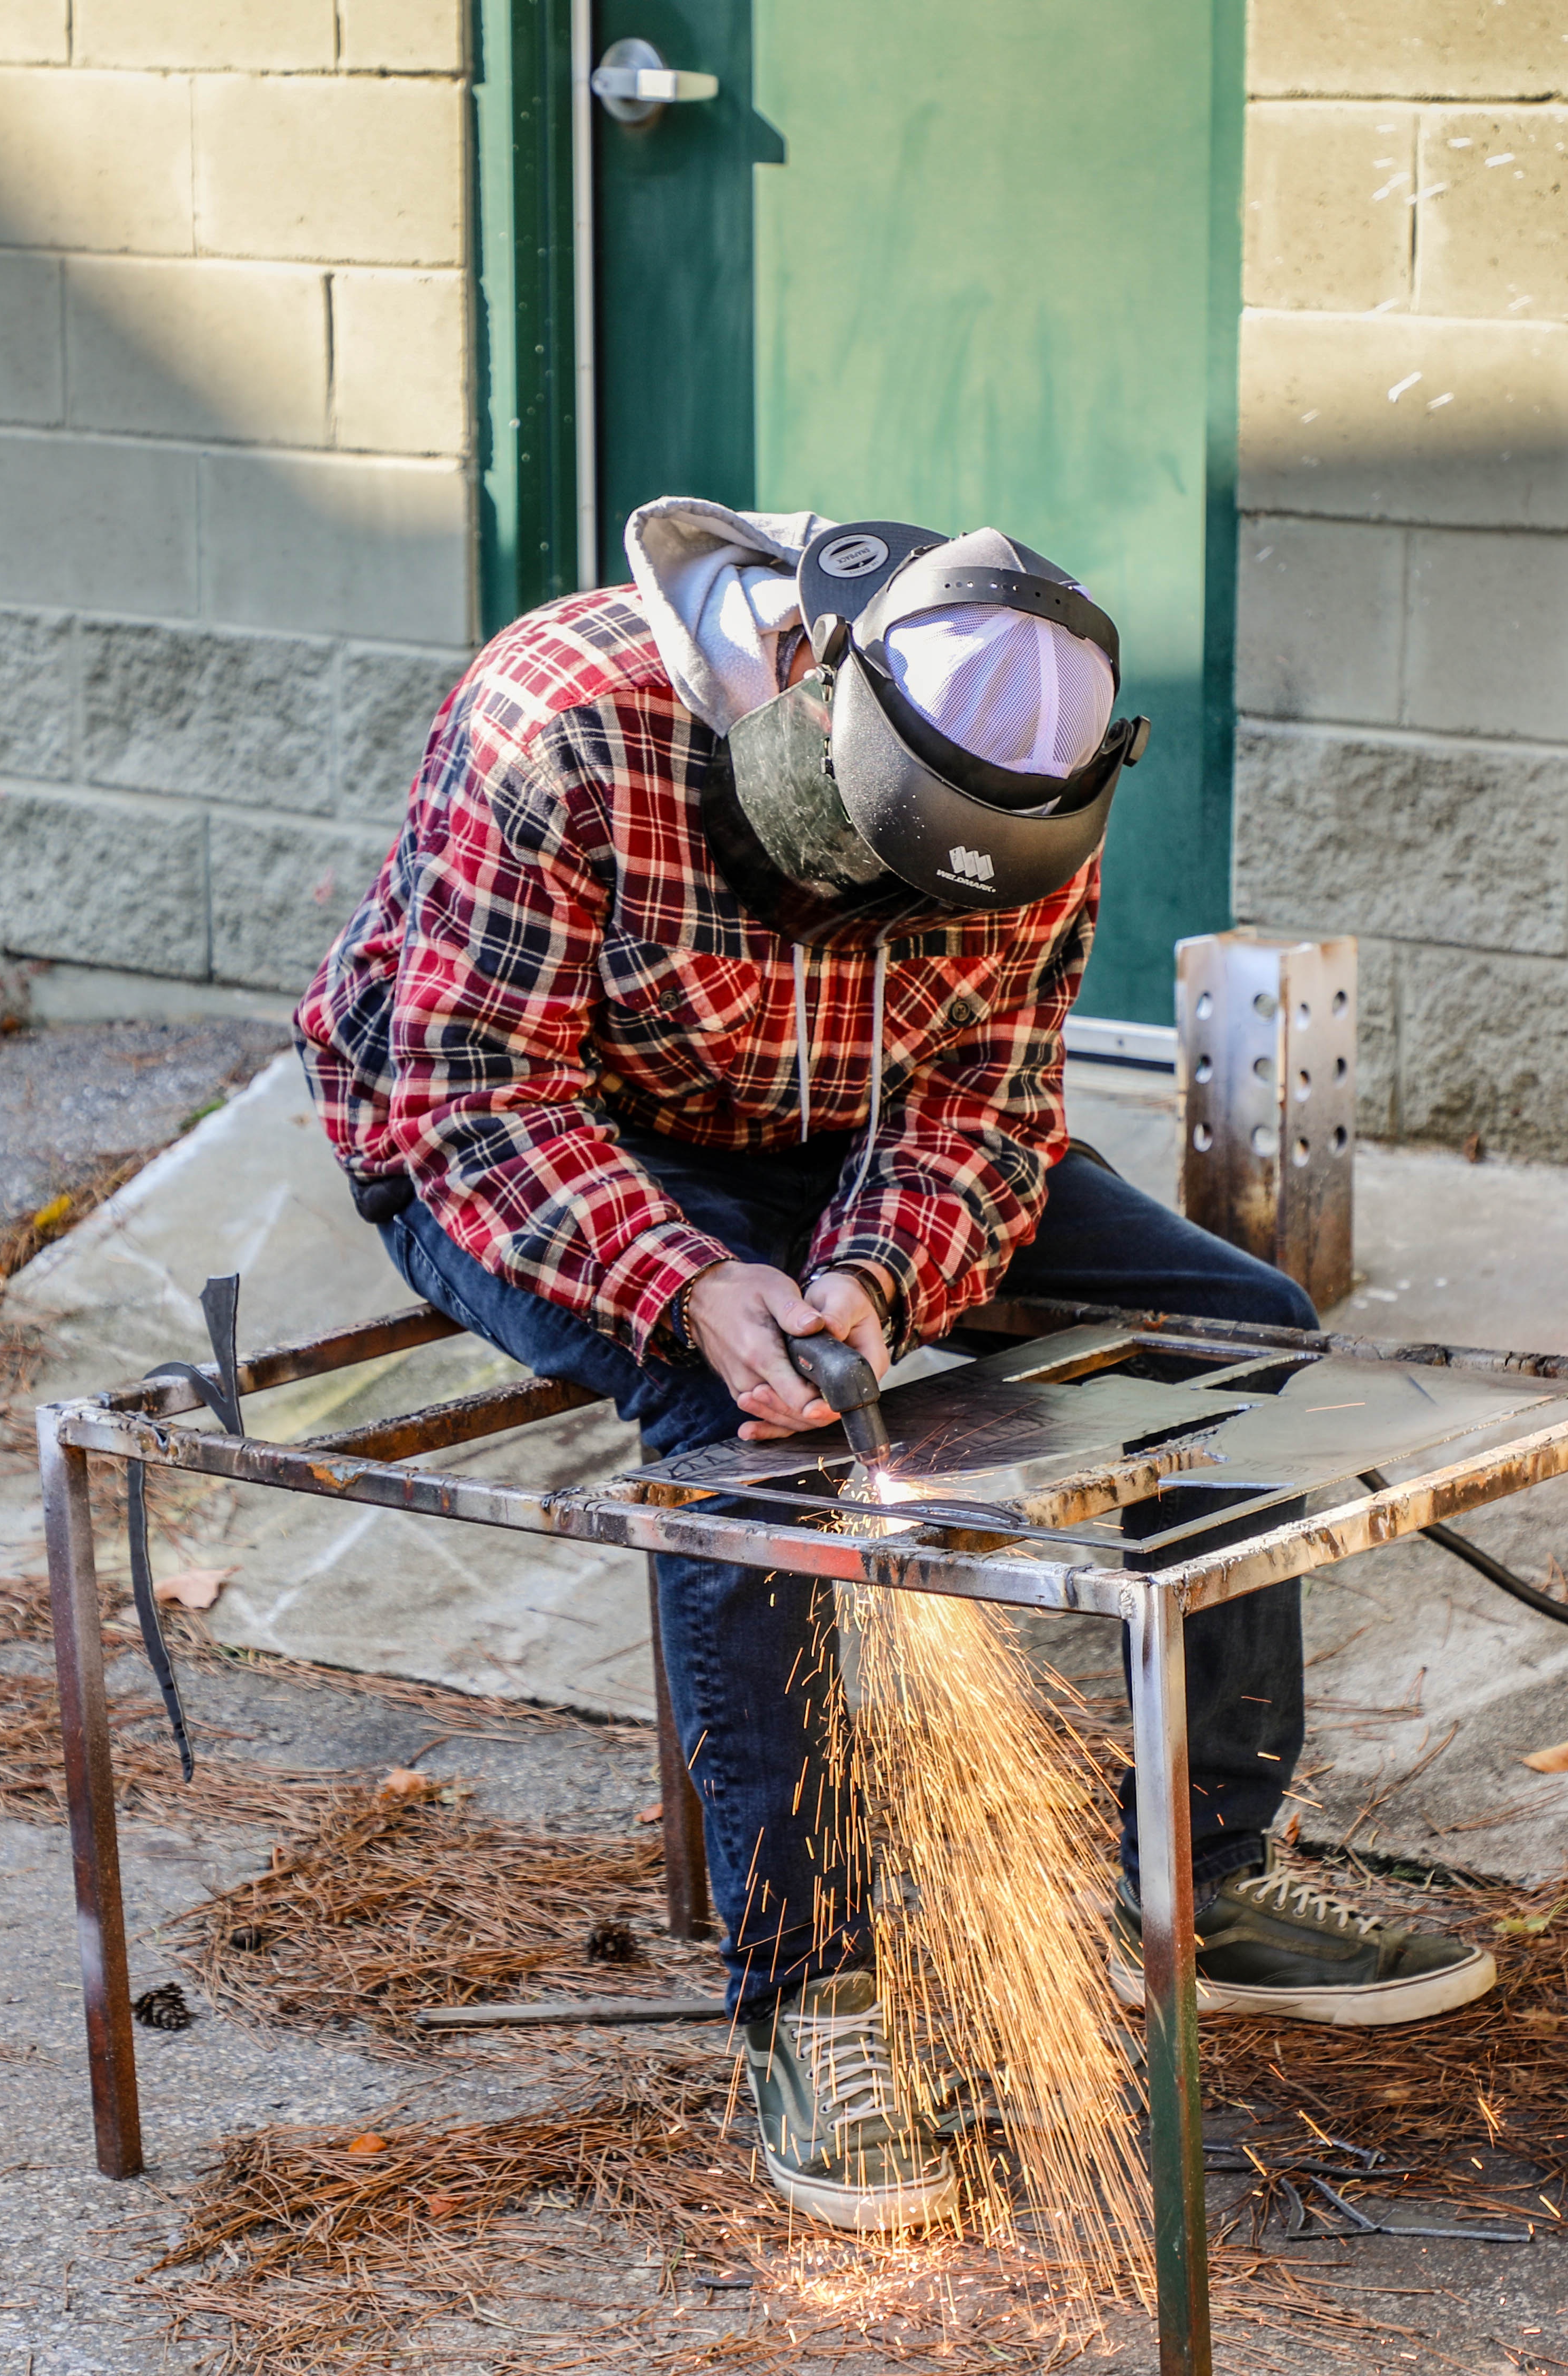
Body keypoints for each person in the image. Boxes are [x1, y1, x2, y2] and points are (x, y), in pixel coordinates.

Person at [295, 502, 1496, 2233]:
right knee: (741, 1427)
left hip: (826, 1148)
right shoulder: (556, 722)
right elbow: (473, 1092)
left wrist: (874, 1273)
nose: (872, 908)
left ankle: (1198, 1880)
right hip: (535, 1131)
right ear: (803, 677)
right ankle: (814, 1993)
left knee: (1241, 1332)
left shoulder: (1040, 774)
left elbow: (983, 1111)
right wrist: (692, 1279)